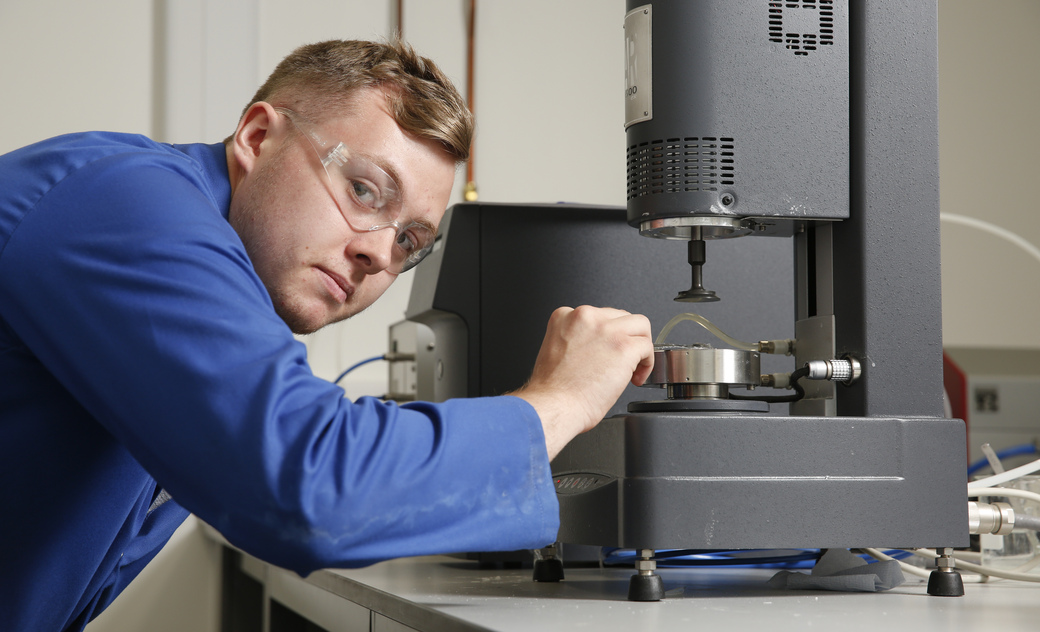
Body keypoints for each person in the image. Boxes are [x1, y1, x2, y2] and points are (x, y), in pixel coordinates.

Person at [0, 39, 653, 631]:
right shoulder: (121, 204)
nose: (378, 255)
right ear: (257, 137)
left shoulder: (201, 284)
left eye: (410, 241)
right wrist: (561, 401)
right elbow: (307, 484)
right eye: (365, 190)